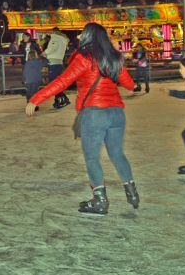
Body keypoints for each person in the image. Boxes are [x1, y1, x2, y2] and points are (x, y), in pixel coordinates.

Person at [26, 23, 139, 215]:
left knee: (92, 157)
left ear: (87, 37)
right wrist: (134, 86)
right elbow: (128, 83)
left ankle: (100, 200)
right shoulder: (114, 58)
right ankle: (132, 192)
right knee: (117, 153)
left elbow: (62, 81)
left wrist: (36, 98)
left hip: (94, 114)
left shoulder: (84, 58)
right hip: (117, 113)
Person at [42, 27, 70, 109]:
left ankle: (62, 99)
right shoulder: (63, 39)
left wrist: (45, 52)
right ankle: (58, 100)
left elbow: (53, 47)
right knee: (56, 83)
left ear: (53, 31)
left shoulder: (55, 38)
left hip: (53, 62)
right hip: (58, 62)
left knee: (53, 84)